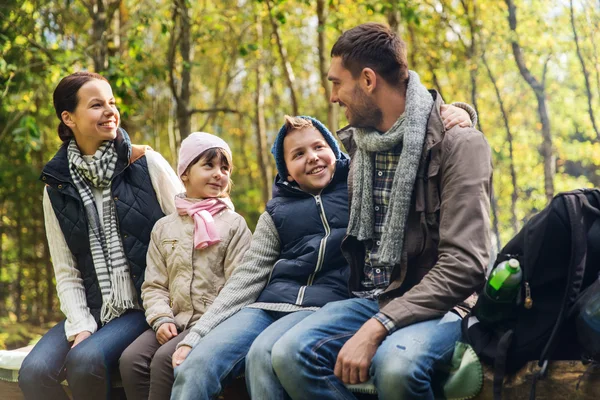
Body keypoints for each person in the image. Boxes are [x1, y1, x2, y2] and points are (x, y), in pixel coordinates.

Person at [271, 23, 493, 400]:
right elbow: (307, 193)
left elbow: (465, 265)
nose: (333, 97)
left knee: (396, 368)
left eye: (337, 83)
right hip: (375, 296)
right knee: (288, 354)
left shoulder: (459, 145)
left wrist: (378, 327)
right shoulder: (360, 146)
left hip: (444, 303)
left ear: (369, 80)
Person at [18, 71, 183, 400]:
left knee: (85, 361)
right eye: (96, 105)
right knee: (33, 373)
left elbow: (189, 226)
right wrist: (81, 324)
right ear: (69, 118)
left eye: (111, 103)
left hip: (144, 304)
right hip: (95, 306)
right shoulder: (56, 187)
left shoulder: (144, 162)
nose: (110, 111)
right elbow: (66, 270)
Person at [168, 116, 352, 400]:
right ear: (287, 171)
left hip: (325, 305)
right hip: (268, 305)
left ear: (335, 152)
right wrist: (197, 336)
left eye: (319, 147)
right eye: (298, 154)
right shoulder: (276, 214)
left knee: (262, 357)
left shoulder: (357, 191)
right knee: (195, 366)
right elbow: (246, 278)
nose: (313, 157)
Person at [119, 132, 252, 400]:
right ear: (185, 173)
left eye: (224, 168)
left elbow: (240, 286)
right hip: (175, 318)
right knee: (130, 360)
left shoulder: (234, 225)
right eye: (209, 165)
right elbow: (154, 285)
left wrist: (207, 326)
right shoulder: (164, 227)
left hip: (212, 322)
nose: (218, 174)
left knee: (164, 360)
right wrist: (161, 319)